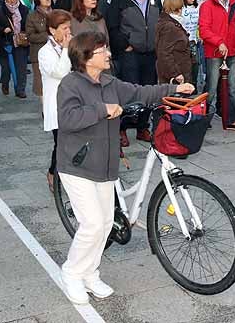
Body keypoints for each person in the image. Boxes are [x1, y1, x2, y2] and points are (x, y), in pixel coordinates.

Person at [55, 30, 188, 303]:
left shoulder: (108, 82)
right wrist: (103, 109)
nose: (108, 54)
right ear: (86, 57)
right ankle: (70, 272)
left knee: (105, 224)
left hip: (105, 164)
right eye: (102, 51)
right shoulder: (70, 84)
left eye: (106, 49)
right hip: (76, 165)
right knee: (92, 224)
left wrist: (175, 89)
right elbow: (68, 119)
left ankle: (90, 273)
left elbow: (140, 91)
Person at [198, 0, 235, 132]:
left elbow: (234, 31)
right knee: (212, 88)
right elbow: (204, 29)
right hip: (214, 52)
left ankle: (231, 119)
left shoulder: (233, 4)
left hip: (232, 52)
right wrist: (218, 42)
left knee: (232, 88)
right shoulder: (207, 6)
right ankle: (202, 117)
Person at [105, 0, 161, 85]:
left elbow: (161, 21)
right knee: (133, 93)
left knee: (150, 92)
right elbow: (112, 26)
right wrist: (125, 45)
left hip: (151, 54)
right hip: (130, 55)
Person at [38, 9, 72, 190]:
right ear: (52, 30)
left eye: (69, 27)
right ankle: (53, 172)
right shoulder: (44, 52)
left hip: (74, 102)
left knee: (72, 143)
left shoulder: (70, 46)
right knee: (62, 144)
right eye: (64, 28)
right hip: (57, 105)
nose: (68, 31)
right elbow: (60, 72)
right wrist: (67, 49)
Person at [0, 0, 30, 98]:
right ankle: (5, 83)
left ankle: (20, 89)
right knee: (6, 68)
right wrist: (3, 29)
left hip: (20, 42)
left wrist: (25, 33)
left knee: (21, 67)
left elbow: (27, 24)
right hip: (5, 43)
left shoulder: (23, 9)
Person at [155, 0, 193, 85]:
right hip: (176, 75)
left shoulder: (170, 23)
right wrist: (176, 73)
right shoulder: (170, 26)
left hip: (178, 71)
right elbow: (164, 52)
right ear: (178, 8)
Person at [25, 0, 53, 95]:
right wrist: (49, 35)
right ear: (38, 0)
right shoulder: (32, 16)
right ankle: (44, 110)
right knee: (40, 84)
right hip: (38, 53)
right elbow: (30, 36)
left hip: (55, 52)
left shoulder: (55, 13)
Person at [178, 0, 202, 89]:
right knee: (186, 66)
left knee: (195, 64)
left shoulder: (197, 8)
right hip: (184, 42)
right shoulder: (181, 9)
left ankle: (194, 85)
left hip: (194, 41)